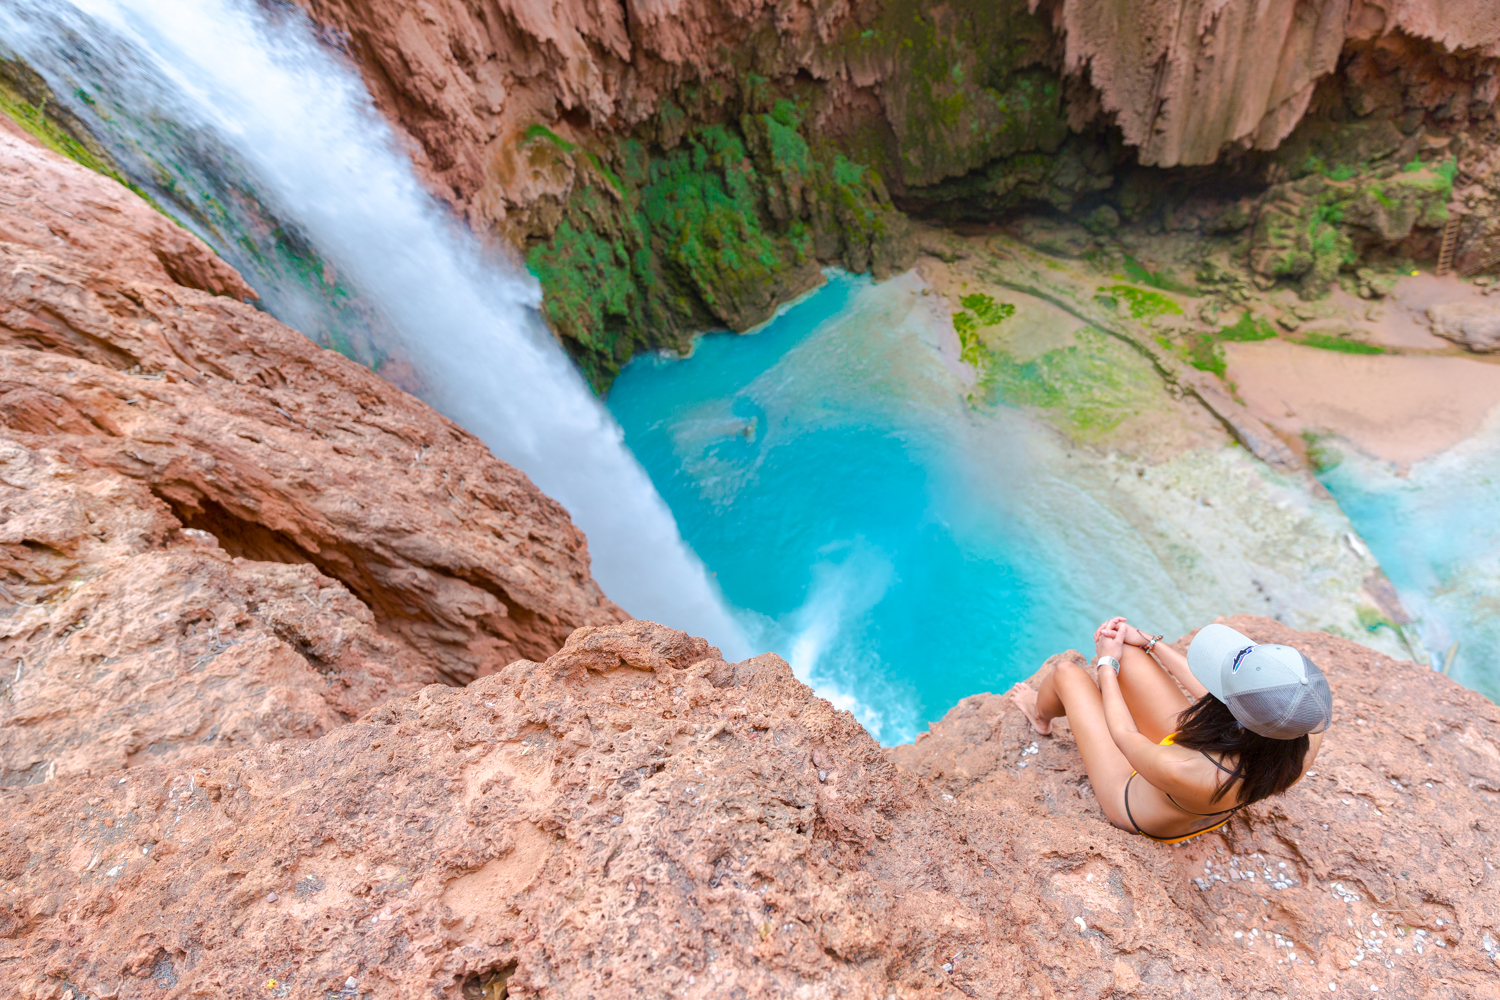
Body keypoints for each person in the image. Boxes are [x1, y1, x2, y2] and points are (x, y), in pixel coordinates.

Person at [1009, 619, 1332, 844]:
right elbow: (1223, 702)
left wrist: (1106, 666)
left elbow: (1125, 735)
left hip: (1135, 804)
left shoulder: (1181, 767)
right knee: (1130, 654)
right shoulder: (1305, 732)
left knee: (1067, 674)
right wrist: (1149, 643)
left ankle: (1038, 715)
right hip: (1207, 778)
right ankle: (1123, 662)